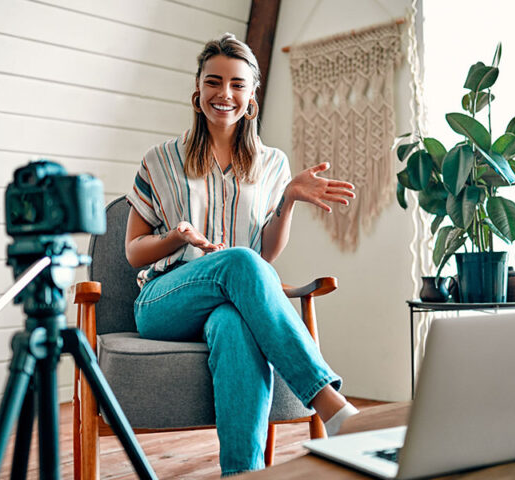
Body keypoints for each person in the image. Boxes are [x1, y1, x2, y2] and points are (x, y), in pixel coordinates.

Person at [124, 33, 358, 477]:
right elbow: (135, 253)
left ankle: (242, 474)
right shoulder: (160, 160)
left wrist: (287, 199)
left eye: (236, 84)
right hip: (163, 303)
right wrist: (179, 236)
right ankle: (329, 402)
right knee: (243, 262)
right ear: (198, 91)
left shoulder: (272, 164)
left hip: (232, 305)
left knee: (235, 322)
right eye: (214, 82)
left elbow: (266, 249)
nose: (224, 94)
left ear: (251, 97)